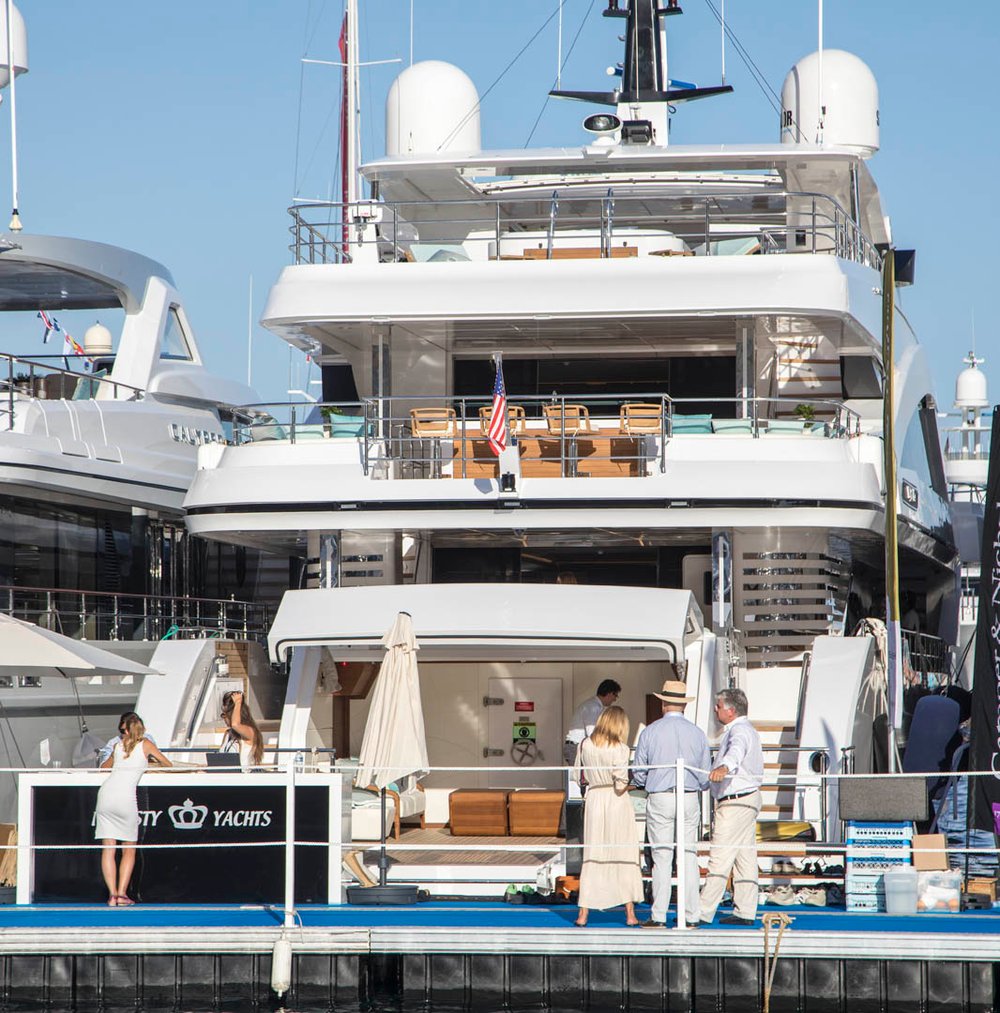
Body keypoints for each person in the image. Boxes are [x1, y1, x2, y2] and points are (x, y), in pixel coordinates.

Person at [631, 678, 710, 928]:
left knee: (662, 857)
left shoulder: (650, 731)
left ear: (663, 702)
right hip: (689, 796)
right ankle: (691, 915)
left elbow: (639, 771)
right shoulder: (697, 733)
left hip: (661, 796)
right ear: (683, 705)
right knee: (688, 855)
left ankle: (659, 915)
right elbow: (704, 774)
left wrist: (647, 782)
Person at [698, 687, 764, 927]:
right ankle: (746, 910)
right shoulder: (747, 730)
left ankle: (702, 911)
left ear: (731, 710)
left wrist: (724, 768)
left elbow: (736, 752)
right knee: (745, 858)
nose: (715, 710)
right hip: (748, 799)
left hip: (735, 802)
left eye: (718, 706)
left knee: (720, 856)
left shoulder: (739, 731)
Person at [574, 705, 644, 927]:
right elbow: (621, 783)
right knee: (623, 853)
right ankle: (630, 914)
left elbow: (578, 776)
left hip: (594, 799)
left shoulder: (585, 744)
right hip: (616, 801)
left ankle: (583, 914)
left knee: (593, 854)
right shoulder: (620, 749)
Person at [95, 713, 172, 906]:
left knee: (108, 848)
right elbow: (167, 764)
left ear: (126, 730)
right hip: (125, 798)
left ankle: (112, 895)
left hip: (106, 795)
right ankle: (121, 894)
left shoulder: (117, 746)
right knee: (128, 850)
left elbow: (104, 769)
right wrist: (147, 764)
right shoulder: (146, 745)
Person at [564, 678, 621, 764]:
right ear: (609, 693)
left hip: (578, 746)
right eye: (615, 695)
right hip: (577, 747)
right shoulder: (593, 707)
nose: (615, 699)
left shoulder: (594, 705)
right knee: (581, 776)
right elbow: (592, 733)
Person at [220, 690, 264, 768]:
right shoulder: (228, 733)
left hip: (243, 776)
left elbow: (235, 725)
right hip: (226, 775)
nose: (224, 718)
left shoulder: (250, 732)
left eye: (225, 715)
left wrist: (238, 703)